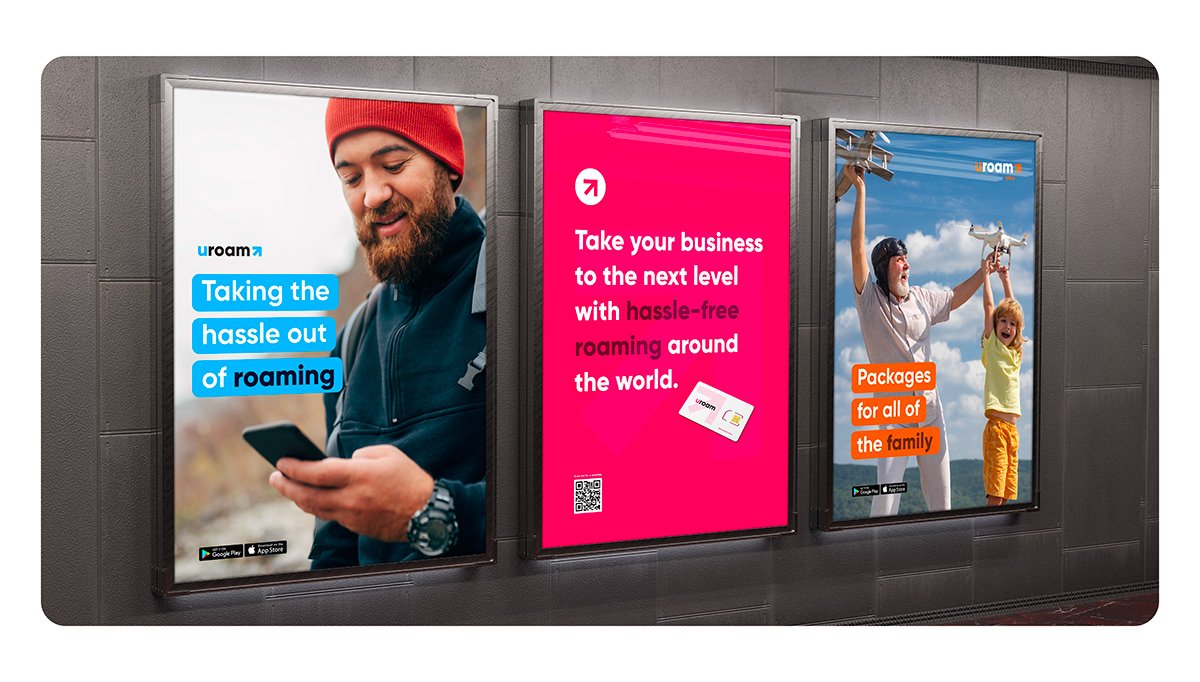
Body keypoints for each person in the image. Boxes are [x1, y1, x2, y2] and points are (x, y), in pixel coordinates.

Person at [269, 98, 486, 566]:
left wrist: (436, 511)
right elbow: (335, 550)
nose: (372, 195)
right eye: (351, 177)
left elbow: (607, 488)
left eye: (393, 164)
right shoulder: (348, 344)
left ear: (448, 165)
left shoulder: (537, 289)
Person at [843, 163, 991, 516]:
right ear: (884, 267)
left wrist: (982, 272)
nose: (906, 264)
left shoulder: (923, 297)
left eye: (907, 259)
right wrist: (861, 191)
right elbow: (857, 248)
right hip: (894, 416)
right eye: (899, 259)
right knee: (885, 505)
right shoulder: (870, 302)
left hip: (930, 413)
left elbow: (954, 297)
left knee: (942, 504)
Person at [979, 253, 1025, 506]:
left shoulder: (1015, 354)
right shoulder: (992, 348)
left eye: (1012, 324)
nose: (1007, 326)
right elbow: (989, 307)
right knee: (996, 493)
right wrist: (986, 275)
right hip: (997, 429)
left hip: (1012, 433)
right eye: (1002, 321)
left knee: (1006, 493)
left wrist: (1005, 278)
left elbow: (1015, 310)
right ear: (995, 326)